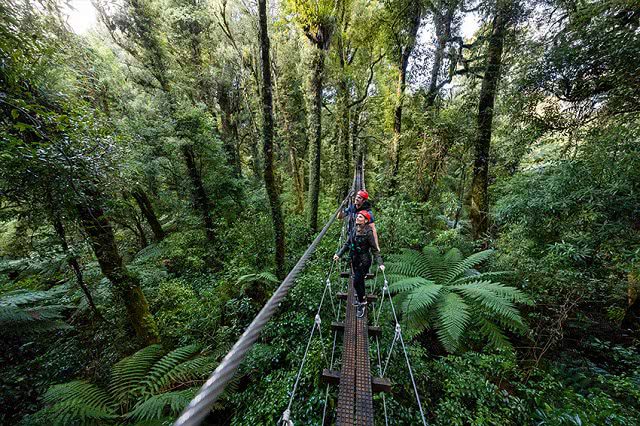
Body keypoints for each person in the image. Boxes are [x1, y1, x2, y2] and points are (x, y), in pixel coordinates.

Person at [333, 210, 385, 318]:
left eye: (360, 217)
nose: (357, 218)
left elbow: (374, 249)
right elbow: (347, 243)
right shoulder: (354, 229)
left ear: (366, 220)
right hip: (355, 259)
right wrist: (339, 254)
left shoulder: (368, 232)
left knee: (356, 282)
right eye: (357, 216)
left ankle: (362, 303)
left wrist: (380, 263)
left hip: (364, 262)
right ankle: (362, 298)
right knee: (359, 281)